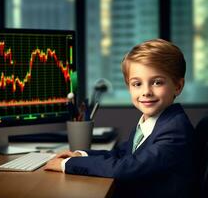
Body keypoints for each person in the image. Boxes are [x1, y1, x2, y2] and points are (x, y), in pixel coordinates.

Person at [44, 39, 195, 198]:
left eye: (157, 82)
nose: (146, 92)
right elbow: (122, 154)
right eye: (137, 84)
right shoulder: (153, 121)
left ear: (178, 86)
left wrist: (66, 164)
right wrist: (82, 155)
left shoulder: (174, 131)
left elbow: (128, 167)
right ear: (128, 86)